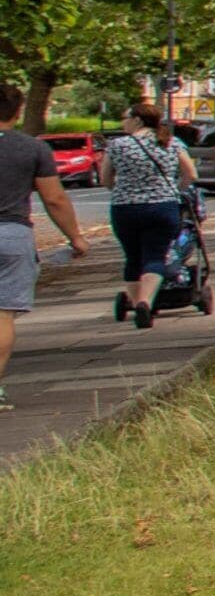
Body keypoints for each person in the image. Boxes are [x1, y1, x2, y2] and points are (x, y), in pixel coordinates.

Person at [0, 119, 99, 411]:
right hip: (12, 235)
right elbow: (54, 198)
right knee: (3, 314)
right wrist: (76, 238)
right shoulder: (32, 148)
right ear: (17, 111)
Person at [99, 104, 195, 332]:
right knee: (155, 255)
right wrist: (175, 190)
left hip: (126, 209)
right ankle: (145, 301)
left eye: (125, 117)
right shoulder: (171, 142)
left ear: (138, 120)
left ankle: (136, 304)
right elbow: (191, 173)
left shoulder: (118, 145)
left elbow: (105, 179)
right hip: (163, 207)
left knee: (132, 257)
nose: (124, 122)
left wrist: (122, 190)